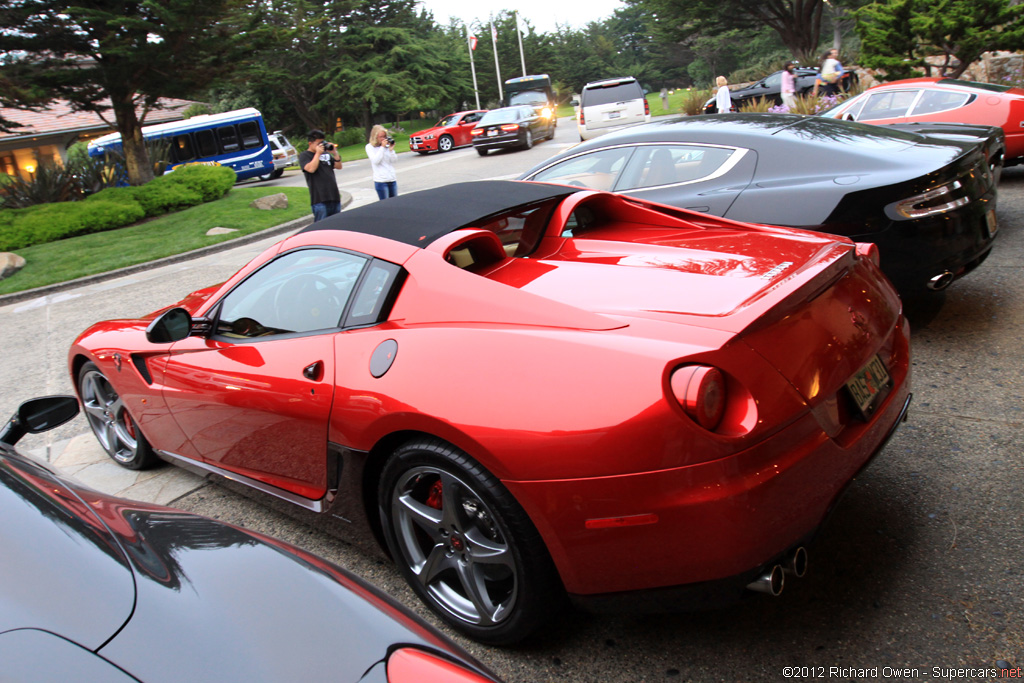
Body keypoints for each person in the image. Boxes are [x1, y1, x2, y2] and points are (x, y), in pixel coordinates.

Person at [299, 129, 342, 222]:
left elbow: (338, 166)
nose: (321, 146)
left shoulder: (326, 154)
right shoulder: (305, 155)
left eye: (322, 143)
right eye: (318, 143)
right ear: (310, 143)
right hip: (320, 200)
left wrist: (335, 153)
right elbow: (311, 169)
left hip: (334, 196)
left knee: (337, 227)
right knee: (321, 229)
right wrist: (318, 153)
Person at [366, 124, 398, 200]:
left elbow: (394, 160)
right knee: (386, 204)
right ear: (375, 137)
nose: (383, 139)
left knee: (395, 203)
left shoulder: (386, 146)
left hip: (391, 179)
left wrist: (391, 150)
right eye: (381, 137)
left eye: (384, 136)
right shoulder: (370, 147)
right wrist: (382, 148)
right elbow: (375, 161)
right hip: (381, 181)